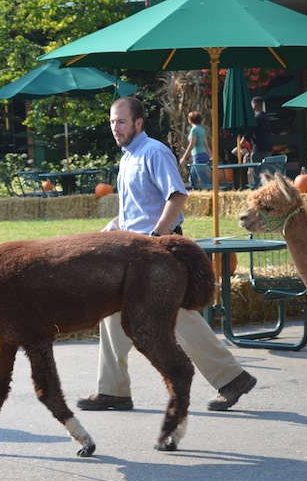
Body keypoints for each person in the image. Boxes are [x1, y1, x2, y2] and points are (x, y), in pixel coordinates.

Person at [77, 97, 257, 413]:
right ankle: (114, 390)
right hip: (131, 254)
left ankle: (232, 378)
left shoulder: (154, 152)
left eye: (121, 121)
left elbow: (176, 196)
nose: (115, 128)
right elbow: (134, 210)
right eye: (112, 122)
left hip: (157, 253)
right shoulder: (127, 159)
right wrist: (114, 226)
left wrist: (156, 237)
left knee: (180, 319)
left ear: (138, 123)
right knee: (112, 315)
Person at [248, 96, 273, 164]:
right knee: (266, 172)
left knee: (256, 172)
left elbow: (249, 133)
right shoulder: (266, 116)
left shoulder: (256, 118)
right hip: (268, 149)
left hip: (258, 150)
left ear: (254, 105)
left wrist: (240, 145)